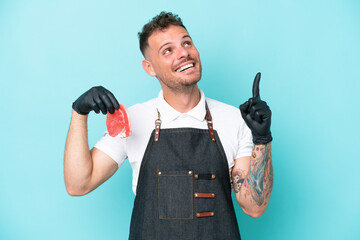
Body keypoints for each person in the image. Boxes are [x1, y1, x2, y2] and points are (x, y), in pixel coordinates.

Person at [64, 11, 273, 240]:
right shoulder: (133, 119)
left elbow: (254, 207)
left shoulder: (232, 118)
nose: (183, 53)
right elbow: (78, 184)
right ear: (149, 68)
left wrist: (262, 140)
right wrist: (79, 112)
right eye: (168, 50)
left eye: (187, 43)